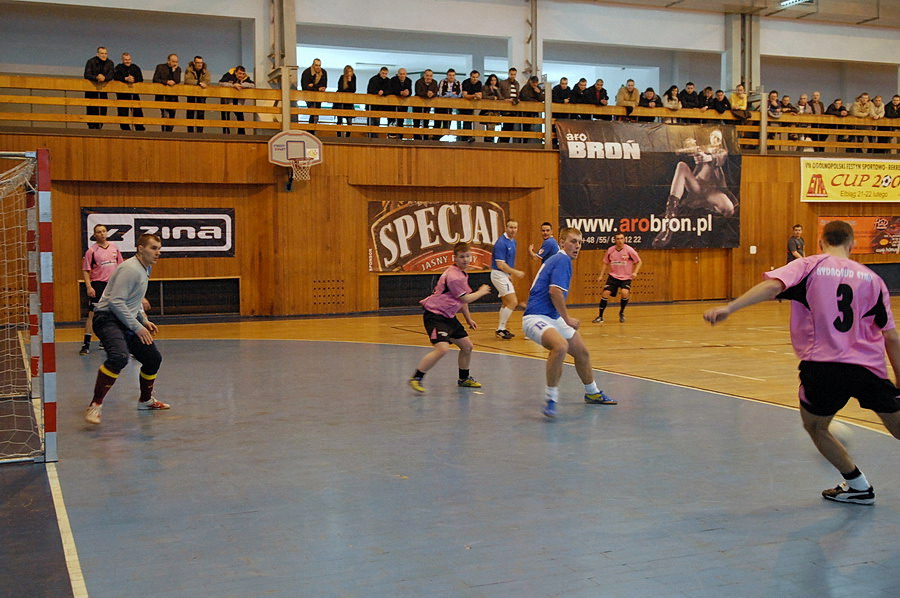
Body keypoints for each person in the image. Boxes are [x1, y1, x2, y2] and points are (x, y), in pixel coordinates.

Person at [703, 220, 900, 505]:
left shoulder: (809, 266)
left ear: (820, 241)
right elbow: (891, 338)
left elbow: (772, 287)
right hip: (868, 367)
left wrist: (730, 308)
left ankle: (859, 488)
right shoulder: (872, 278)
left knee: (817, 427)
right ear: (852, 242)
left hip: (823, 365)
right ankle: (857, 488)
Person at [523, 227, 617, 418]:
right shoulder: (562, 259)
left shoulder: (561, 260)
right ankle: (551, 399)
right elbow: (554, 292)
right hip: (536, 317)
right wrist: (567, 318)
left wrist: (561, 318)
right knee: (560, 346)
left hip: (552, 316)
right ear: (562, 242)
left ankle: (592, 393)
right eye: (573, 241)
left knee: (582, 352)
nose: (577, 246)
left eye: (580, 243)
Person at [83, 233, 169, 425]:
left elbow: (133, 300)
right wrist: (137, 327)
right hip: (107, 319)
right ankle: (95, 405)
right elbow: (115, 302)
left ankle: (146, 400)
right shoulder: (131, 269)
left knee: (152, 358)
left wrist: (143, 320)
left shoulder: (144, 269)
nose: (158, 253)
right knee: (119, 357)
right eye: (153, 248)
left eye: (159, 249)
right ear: (140, 248)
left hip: (125, 319)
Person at [407, 242, 493, 393]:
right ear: (455, 258)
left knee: (467, 346)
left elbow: (460, 300)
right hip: (435, 315)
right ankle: (417, 377)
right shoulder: (453, 276)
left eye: (467, 256)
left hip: (448, 317)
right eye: (461, 257)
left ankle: (464, 379)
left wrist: (468, 319)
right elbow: (466, 298)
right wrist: (482, 291)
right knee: (442, 349)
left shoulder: (461, 274)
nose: (465, 260)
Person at [653, 129, 735, 248]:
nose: (715, 140)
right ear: (710, 138)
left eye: (718, 138)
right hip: (696, 185)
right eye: (713, 136)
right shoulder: (702, 148)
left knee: (729, 209)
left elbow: (718, 157)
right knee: (681, 166)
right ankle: (668, 226)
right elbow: (678, 151)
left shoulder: (721, 151)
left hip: (712, 190)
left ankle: (716, 232)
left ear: (720, 141)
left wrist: (705, 157)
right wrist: (690, 146)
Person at [80, 224, 123, 355]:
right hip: (98, 285)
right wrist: (89, 286)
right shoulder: (91, 251)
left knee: (114, 313)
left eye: (104, 231)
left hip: (113, 285)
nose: (102, 234)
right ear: (95, 235)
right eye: (99, 232)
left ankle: (105, 340)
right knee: (93, 314)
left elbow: (121, 267)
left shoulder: (115, 248)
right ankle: (86, 343)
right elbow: (86, 270)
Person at [593, 232, 641, 324]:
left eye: (621, 238)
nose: (620, 241)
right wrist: (601, 275)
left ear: (624, 239)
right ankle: (600, 317)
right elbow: (605, 263)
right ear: (615, 240)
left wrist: (635, 272)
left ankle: (622, 312)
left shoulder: (629, 250)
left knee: (624, 292)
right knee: (605, 293)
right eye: (618, 239)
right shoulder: (611, 250)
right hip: (613, 276)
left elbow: (639, 262)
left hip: (626, 277)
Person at [491, 219, 525, 339]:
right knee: (513, 302)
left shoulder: (513, 242)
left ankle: (501, 329)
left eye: (515, 228)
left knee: (506, 302)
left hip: (504, 275)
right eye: (511, 227)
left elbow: (508, 262)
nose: (513, 230)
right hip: (498, 274)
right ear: (505, 228)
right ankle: (501, 328)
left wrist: (509, 275)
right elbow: (500, 264)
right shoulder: (501, 243)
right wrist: (515, 272)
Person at [83, 46, 115, 130]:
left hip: (103, 90)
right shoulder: (91, 62)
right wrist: (96, 77)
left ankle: (99, 127)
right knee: (91, 110)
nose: (104, 55)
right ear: (97, 54)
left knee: (103, 111)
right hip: (91, 90)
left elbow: (111, 74)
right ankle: (91, 127)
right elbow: (87, 74)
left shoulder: (110, 63)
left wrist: (105, 78)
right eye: (102, 53)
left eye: (105, 53)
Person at [218, 65, 255, 134]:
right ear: (235, 72)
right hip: (227, 100)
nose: (241, 75)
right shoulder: (228, 75)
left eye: (243, 74)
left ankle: (241, 135)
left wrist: (241, 85)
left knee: (240, 117)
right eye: (240, 73)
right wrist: (233, 85)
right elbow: (221, 83)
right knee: (226, 117)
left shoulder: (246, 78)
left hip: (238, 101)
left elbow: (252, 85)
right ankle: (226, 135)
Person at [113, 52, 145, 131]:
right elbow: (115, 77)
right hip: (122, 95)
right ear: (122, 60)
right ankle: (126, 131)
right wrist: (125, 79)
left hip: (133, 94)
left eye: (129, 59)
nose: (128, 61)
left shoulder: (135, 67)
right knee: (123, 114)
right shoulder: (118, 67)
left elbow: (140, 78)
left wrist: (133, 79)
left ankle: (140, 130)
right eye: (126, 60)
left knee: (138, 113)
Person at [153, 54, 181, 132]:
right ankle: (164, 133)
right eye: (173, 61)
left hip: (173, 97)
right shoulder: (160, 67)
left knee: (172, 117)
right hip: (163, 97)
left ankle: (169, 133)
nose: (175, 63)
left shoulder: (178, 69)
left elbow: (177, 80)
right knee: (165, 115)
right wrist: (166, 82)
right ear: (168, 61)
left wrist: (174, 71)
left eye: (176, 62)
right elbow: (155, 79)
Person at [184, 55, 210, 133]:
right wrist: (198, 83)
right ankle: (190, 133)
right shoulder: (189, 70)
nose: (199, 64)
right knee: (190, 114)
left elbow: (207, 81)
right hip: (191, 95)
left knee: (201, 114)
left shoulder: (206, 71)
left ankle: (200, 133)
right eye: (198, 63)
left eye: (201, 63)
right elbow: (187, 81)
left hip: (201, 96)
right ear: (194, 63)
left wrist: (203, 84)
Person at [435, 69, 463, 139]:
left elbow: (459, 94)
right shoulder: (442, 81)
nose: (451, 77)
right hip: (440, 106)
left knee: (447, 126)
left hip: (450, 106)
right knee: (437, 124)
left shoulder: (458, 83)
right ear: (447, 76)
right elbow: (441, 94)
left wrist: (447, 94)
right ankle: (435, 139)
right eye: (450, 75)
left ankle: (438, 138)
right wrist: (451, 94)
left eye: (453, 75)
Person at [300, 58, 328, 125]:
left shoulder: (323, 73)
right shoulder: (306, 72)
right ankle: (311, 130)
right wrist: (318, 88)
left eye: (319, 65)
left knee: (316, 114)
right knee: (312, 112)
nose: (318, 67)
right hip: (308, 96)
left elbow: (324, 86)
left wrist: (312, 86)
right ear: (313, 65)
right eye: (316, 65)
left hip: (319, 97)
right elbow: (305, 87)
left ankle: (313, 130)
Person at [412, 69, 438, 140]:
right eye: (427, 75)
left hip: (427, 105)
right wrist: (427, 94)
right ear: (424, 75)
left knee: (426, 122)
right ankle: (416, 139)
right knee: (416, 122)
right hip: (417, 105)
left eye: (430, 76)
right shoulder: (418, 82)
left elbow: (436, 92)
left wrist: (432, 94)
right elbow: (418, 92)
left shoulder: (434, 82)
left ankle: (425, 138)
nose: (429, 77)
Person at [366, 66, 391, 137]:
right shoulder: (373, 79)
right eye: (383, 73)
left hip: (380, 105)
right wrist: (378, 92)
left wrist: (384, 92)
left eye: (386, 73)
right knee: (371, 123)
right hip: (372, 105)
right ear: (380, 72)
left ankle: (375, 138)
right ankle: (370, 138)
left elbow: (390, 90)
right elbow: (370, 90)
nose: (384, 75)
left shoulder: (388, 81)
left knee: (377, 123)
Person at [387, 67, 412, 137]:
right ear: (398, 74)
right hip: (393, 105)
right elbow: (391, 90)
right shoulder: (393, 80)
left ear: (406, 74)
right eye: (400, 74)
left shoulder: (409, 81)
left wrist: (407, 93)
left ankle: (400, 137)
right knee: (391, 121)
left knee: (401, 121)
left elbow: (410, 91)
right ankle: (390, 136)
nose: (402, 75)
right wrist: (400, 92)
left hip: (403, 105)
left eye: (403, 74)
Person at [497, 67, 520, 143]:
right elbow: (499, 93)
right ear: (509, 74)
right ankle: (503, 141)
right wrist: (504, 100)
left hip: (514, 107)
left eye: (514, 74)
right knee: (506, 126)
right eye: (511, 74)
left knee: (511, 126)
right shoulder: (503, 83)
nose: (513, 76)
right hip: (505, 107)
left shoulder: (517, 84)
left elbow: (517, 94)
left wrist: (517, 100)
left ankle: (505, 141)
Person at [459, 70, 482, 142]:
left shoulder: (479, 83)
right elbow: (465, 95)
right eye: (473, 77)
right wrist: (474, 95)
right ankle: (466, 138)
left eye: (476, 77)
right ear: (470, 76)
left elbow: (480, 96)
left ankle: (468, 137)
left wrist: (475, 96)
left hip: (472, 105)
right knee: (467, 120)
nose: (475, 79)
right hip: (464, 105)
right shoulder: (466, 82)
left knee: (470, 121)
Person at [333, 65, 357, 137]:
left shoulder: (353, 77)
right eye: (347, 71)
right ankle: (339, 136)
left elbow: (353, 89)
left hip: (349, 102)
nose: (349, 73)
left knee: (349, 121)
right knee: (339, 120)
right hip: (340, 101)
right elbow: (340, 88)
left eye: (350, 71)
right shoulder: (342, 77)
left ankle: (348, 136)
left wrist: (349, 82)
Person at [480, 73, 502, 142]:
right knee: (488, 129)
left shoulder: (498, 88)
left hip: (495, 111)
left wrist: (497, 90)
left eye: (495, 80)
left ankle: (491, 142)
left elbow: (501, 98)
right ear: (489, 81)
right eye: (492, 80)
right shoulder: (485, 87)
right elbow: (484, 96)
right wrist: (493, 97)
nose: (493, 82)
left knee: (493, 129)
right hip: (487, 110)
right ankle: (487, 142)